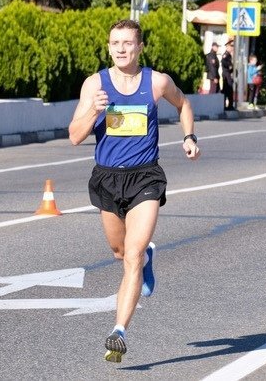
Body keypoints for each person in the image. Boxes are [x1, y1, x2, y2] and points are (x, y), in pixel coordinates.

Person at [68, 19, 201, 363]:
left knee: (131, 257)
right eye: (115, 43)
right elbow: (74, 135)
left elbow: (184, 104)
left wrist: (189, 137)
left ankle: (119, 331)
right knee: (118, 251)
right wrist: (95, 110)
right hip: (107, 179)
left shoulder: (156, 82)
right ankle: (146, 259)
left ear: (140, 47)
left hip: (145, 178)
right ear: (109, 46)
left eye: (128, 43)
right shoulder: (95, 84)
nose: (121, 49)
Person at [220, 45, 234, 110]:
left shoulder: (229, 55)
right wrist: (229, 66)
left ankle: (229, 105)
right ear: (227, 47)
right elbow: (223, 62)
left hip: (228, 74)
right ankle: (226, 106)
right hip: (226, 74)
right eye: (231, 47)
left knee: (228, 90)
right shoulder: (225, 55)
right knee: (228, 89)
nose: (232, 48)